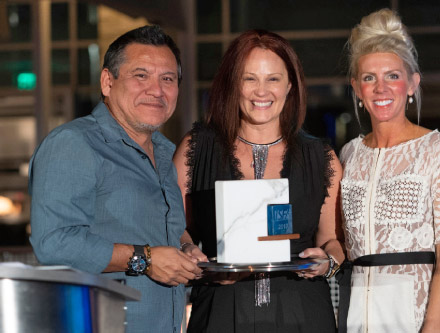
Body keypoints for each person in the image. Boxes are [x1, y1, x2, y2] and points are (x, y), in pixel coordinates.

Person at [29, 25, 202, 332]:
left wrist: (186, 249)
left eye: (168, 79)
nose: (156, 90)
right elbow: (53, 242)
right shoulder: (74, 143)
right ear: (108, 82)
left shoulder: (165, 153)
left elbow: (164, 233)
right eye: (141, 75)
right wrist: (144, 259)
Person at [173, 29, 345, 332]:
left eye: (273, 79)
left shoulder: (321, 157)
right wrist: (188, 250)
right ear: (232, 83)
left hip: (303, 315)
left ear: (290, 85)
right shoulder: (197, 149)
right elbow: (175, 229)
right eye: (249, 78)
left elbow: (333, 241)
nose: (261, 91)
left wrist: (328, 261)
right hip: (221, 313)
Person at [339, 8, 440, 332]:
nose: (380, 88)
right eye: (370, 78)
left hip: (416, 317)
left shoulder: (439, 149)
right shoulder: (349, 155)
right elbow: (341, 243)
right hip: (357, 318)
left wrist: (431, 329)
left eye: (392, 76)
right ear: (357, 88)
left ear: (412, 83)